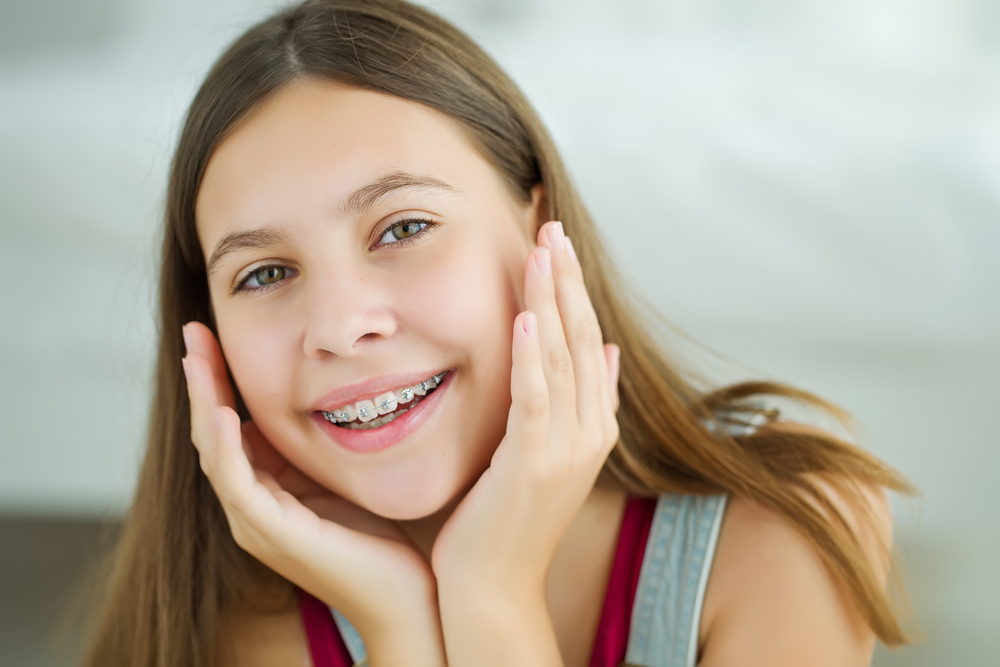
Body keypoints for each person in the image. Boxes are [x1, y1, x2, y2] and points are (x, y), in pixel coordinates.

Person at [82, 1, 914, 665]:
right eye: (263, 274)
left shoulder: (785, 526)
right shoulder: (234, 620)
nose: (338, 327)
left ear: (537, 222)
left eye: (402, 227)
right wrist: (402, 626)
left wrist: (490, 592)